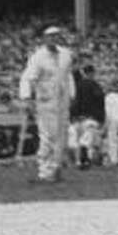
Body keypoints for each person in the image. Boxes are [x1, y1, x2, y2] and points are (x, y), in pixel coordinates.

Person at [18, 25, 76, 184]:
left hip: (62, 101)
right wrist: (26, 98)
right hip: (46, 101)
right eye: (50, 36)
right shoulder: (38, 57)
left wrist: (72, 94)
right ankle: (44, 171)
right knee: (47, 136)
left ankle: (56, 168)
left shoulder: (66, 55)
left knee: (61, 136)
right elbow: (28, 78)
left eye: (56, 35)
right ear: (44, 38)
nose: (54, 39)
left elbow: (68, 75)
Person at [70, 63, 106, 170]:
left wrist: (73, 116)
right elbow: (100, 101)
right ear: (92, 73)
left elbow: (73, 101)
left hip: (77, 118)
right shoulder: (94, 85)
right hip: (90, 117)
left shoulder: (76, 85)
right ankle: (85, 159)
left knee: (77, 141)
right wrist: (101, 118)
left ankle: (80, 162)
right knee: (86, 141)